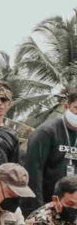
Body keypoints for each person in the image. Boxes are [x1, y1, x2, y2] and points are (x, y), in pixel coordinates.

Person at [24, 87, 77, 217]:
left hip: (71, 206)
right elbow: (33, 173)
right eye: (76, 108)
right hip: (47, 205)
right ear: (66, 106)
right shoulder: (46, 132)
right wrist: (37, 210)